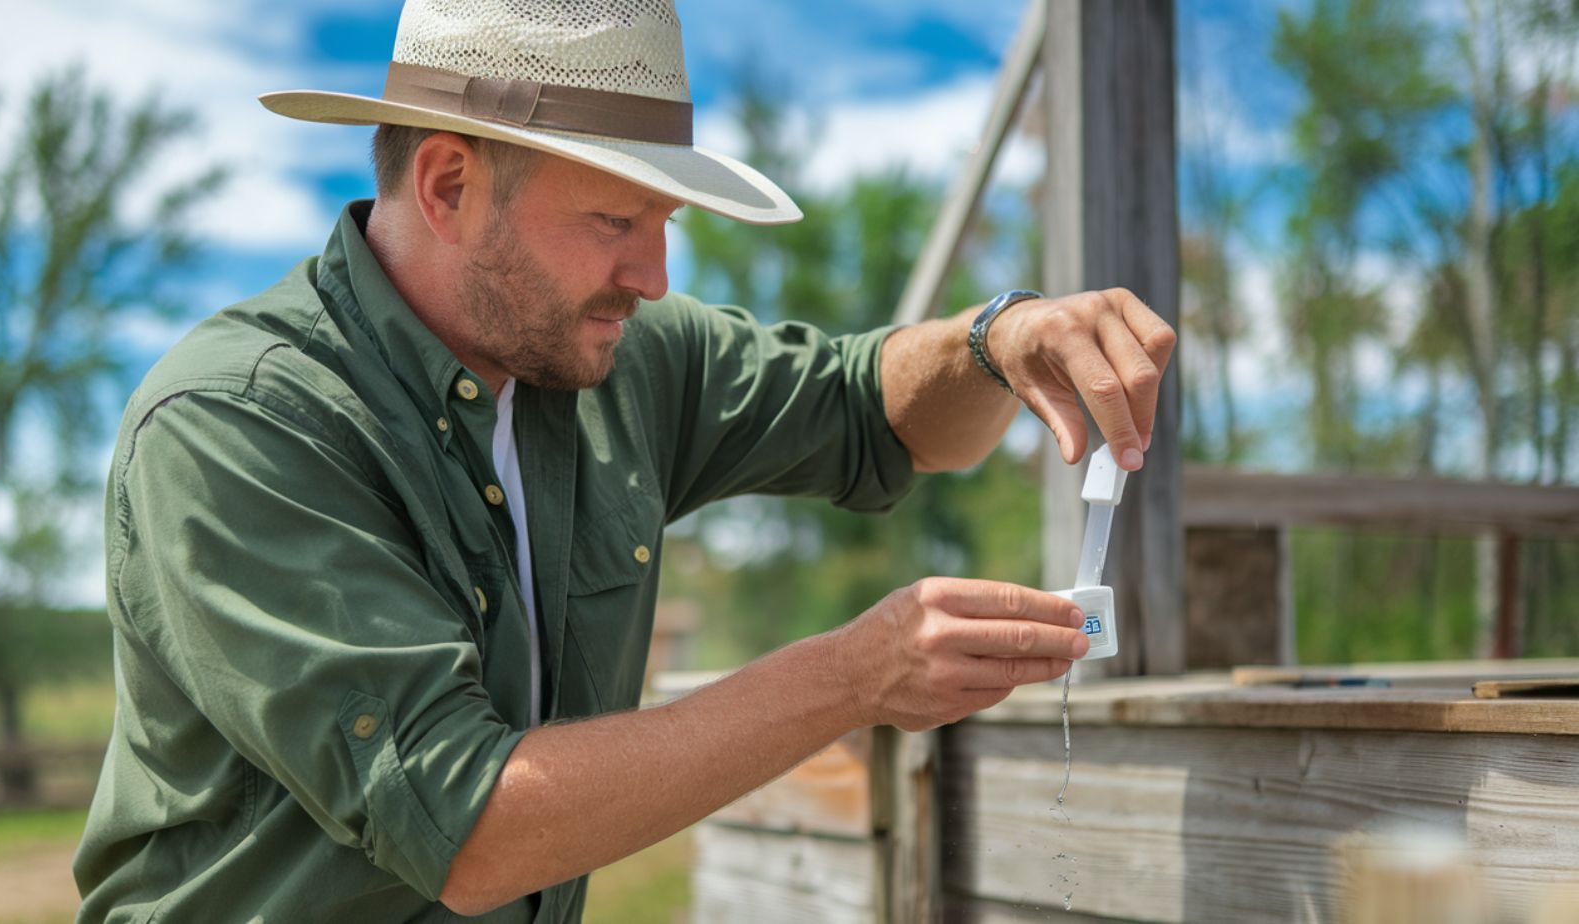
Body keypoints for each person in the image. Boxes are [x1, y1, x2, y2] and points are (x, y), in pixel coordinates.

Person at [73, 1, 1176, 920]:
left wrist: (997, 341)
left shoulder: (614, 357)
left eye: (664, 222)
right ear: (449, 185)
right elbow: (467, 831)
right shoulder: (240, 424)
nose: (651, 276)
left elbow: (872, 411)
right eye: (613, 219)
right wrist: (852, 677)